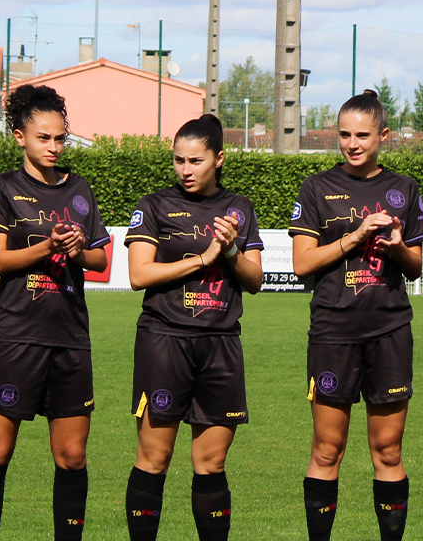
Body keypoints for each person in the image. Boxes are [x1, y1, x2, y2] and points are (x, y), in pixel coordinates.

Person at [0, 84, 110, 541]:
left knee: (72, 456)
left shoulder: (80, 189)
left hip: (70, 339)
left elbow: (101, 261)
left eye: (60, 138)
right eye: (43, 138)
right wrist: (47, 246)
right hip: (17, 337)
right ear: (20, 137)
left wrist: (77, 249)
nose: (54, 147)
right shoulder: (3, 188)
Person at [289, 90, 423, 541]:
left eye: (363, 135)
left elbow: (415, 267)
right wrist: (354, 237)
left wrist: (399, 248)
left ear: (383, 135)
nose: (352, 144)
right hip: (333, 331)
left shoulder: (404, 188)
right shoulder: (316, 187)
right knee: (327, 450)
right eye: (345, 134)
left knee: (388, 451)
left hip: (390, 330)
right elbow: (302, 264)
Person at [124, 114, 264, 541]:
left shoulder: (240, 209)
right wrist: (203, 258)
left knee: (212, 463)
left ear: (218, 159)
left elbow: (255, 281)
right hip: (165, 341)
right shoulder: (153, 206)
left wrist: (232, 249)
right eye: (178, 160)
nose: (185, 169)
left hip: (221, 344)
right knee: (154, 459)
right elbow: (139, 275)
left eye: (196, 161)